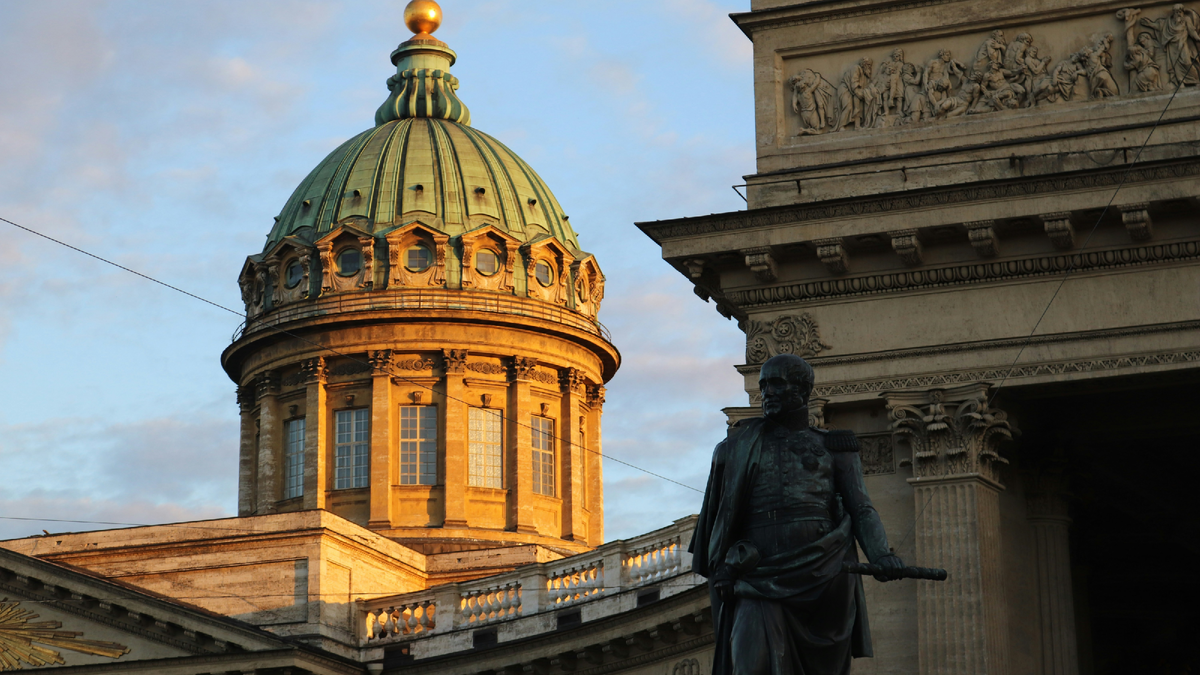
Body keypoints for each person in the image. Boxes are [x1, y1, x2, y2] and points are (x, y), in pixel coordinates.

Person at [691, 354, 905, 675]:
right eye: (764, 385)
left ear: (803, 389)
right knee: (750, 666)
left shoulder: (833, 447)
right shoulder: (733, 448)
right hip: (757, 573)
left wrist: (880, 554)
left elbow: (860, 506)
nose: (768, 392)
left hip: (823, 573)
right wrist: (722, 564)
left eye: (777, 384)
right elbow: (718, 519)